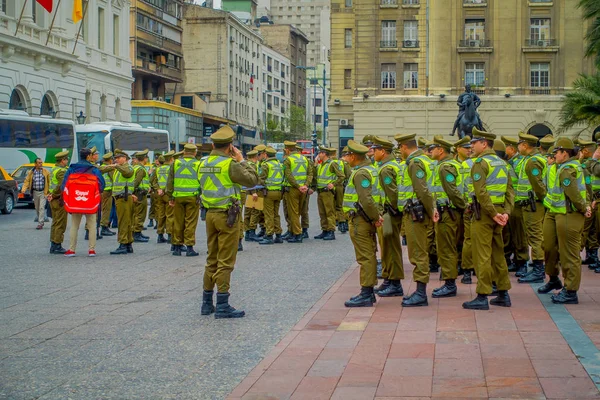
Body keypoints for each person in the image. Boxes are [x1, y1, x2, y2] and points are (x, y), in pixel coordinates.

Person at [199, 126, 258, 318]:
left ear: (214, 144)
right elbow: (252, 180)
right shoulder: (229, 164)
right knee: (225, 260)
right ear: (230, 146)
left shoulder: (202, 163)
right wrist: (242, 160)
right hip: (228, 217)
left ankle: (206, 303)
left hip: (210, 215)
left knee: (212, 258)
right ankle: (223, 303)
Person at [462, 128, 514, 310]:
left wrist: (492, 213)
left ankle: (482, 295)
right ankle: (503, 293)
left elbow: (480, 192)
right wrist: (505, 212)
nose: (471, 146)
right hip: (499, 213)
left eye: (474, 143)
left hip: (484, 213)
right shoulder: (502, 164)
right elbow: (510, 191)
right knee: (498, 254)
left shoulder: (480, 163)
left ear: (484, 143)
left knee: (482, 255)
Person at [539, 138, 590, 304]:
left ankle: (570, 290)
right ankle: (554, 278)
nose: (554, 155)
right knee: (548, 247)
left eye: (557, 153)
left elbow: (575, 193)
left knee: (569, 253)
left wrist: (584, 207)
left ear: (565, 153)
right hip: (554, 212)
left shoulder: (568, 169)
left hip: (569, 214)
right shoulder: (558, 167)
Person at [395, 134, 438, 307]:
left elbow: (422, 191)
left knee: (418, 253)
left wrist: (431, 210)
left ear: (404, 147)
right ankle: (419, 291)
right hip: (420, 212)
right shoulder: (426, 160)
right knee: (420, 251)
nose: (399, 151)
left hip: (416, 213)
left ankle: (421, 293)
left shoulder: (415, 163)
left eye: (400, 148)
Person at [342, 140, 383, 307]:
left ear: (353, 156)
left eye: (347, 155)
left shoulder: (360, 173)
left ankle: (366, 293)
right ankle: (369, 292)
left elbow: (366, 200)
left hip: (360, 219)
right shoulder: (370, 169)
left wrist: (375, 217)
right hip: (366, 218)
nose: (345, 159)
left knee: (365, 256)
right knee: (370, 254)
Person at [429, 136, 466, 298]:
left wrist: (462, 207)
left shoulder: (445, 167)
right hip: (449, 211)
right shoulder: (453, 164)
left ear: (441, 150)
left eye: (433, 148)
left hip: (448, 213)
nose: (431, 151)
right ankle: (449, 280)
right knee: (450, 246)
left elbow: (452, 191)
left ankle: (450, 283)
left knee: (446, 247)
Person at [372, 136, 405, 297]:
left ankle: (395, 283)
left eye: (375, 150)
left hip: (389, 213)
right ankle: (388, 279)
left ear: (382, 151)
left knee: (390, 248)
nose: (372, 153)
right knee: (388, 247)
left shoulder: (386, 169)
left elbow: (392, 193)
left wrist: (392, 210)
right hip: (391, 212)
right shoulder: (393, 165)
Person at [515, 132, 548, 283]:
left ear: (525, 145)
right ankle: (536, 269)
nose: (518, 147)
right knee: (533, 236)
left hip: (533, 204)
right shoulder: (529, 159)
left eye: (519, 144)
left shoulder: (533, 161)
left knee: (535, 237)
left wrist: (544, 200)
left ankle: (538, 270)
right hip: (530, 204)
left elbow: (538, 185)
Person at [61, 148, 105, 257]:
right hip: (90, 202)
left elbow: (64, 186)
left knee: (74, 226)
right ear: (89, 156)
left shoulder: (72, 168)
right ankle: (91, 250)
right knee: (92, 226)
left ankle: (72, 250)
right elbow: (102, 185)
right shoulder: (93, 169)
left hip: (75, 201)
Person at [166, 143, 201, 257]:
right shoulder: (198, 164)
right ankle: (189, 247)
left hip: (178, 197)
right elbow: (202, 181)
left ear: (184, 152)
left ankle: (177, 247)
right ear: (195, 153)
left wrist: (171, 197)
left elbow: (170, 181)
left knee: (178, 221)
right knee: (190, 222)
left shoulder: (175, 163)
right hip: (192, 196)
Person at [501, 136, 529, 275]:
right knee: (509, 233)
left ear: (510, 149)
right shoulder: (509, 162)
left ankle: (522, 261)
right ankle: (513, 259)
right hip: (511, 203)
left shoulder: (517, 162)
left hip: (517, 202)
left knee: (519, 233)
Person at [282, 140, 312, 243]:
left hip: (293, 189)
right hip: (303, 189)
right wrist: (305, 185)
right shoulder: (305, 159)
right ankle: (295, 232)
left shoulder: (288, 160)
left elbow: (288, 175)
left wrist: (298, 186)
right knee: (299, 211)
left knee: (293, 212)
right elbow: (310, 174)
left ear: (287, 149)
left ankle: (297, 234)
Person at [456, 137, 476, 284]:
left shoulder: (465, 164)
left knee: (468, 239)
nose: (470, 149)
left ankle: (467, 271)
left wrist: (464, 204)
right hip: (486, 207)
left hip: (469, 207)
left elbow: (461, 187)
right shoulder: (494, 163)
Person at [314, 147, 345, 240]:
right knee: (322, 213)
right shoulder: (320, 165)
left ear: (324, 154)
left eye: (320, 153)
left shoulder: (332, 163)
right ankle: (325, 230)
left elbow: (341, 176)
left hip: (327, 192)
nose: (318, 155)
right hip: (320, 191)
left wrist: (333, 184)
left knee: (329, 212)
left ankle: (331, 231)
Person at [110, 150, 136, 255]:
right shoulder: (119, 169)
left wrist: (116, 166)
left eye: (118, 158)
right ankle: (128, 243)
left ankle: (123, 244)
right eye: (115, 158)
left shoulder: (127, 168)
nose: (116, 160)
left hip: (124, 198)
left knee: (123, 222)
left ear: (125, 158)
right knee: (127, 221)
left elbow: (127, 173)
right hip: (122, 198)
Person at [258, 146, 284, 245]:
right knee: (276, 214)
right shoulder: (279, 164)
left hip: (269, 192)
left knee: (268, 214)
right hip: (278, 192)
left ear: (266, 154)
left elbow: (261, 178)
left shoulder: (266, 165)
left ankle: (269, 235)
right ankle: (278, 235)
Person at [47, 151, 70, 254]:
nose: (67, 161)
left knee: (55, 222)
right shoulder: (61, 171)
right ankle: (57, 244)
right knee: (60, 223)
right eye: (66, 159)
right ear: (62, 160)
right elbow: (61, 186)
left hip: (53, 199)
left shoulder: (53, 169)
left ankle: (53, 244)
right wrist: (54, 195)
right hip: (59, 199)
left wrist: (50, 194)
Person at [151, 151, 175, 244]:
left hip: (159, 194)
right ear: (171, 159)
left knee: (161, 215)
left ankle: (160, 235)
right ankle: (169, 235)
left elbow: (153, 181)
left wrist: (158, 189)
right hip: (167, 194)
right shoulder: (171, 169)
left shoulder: (158, 169)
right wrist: (164, 190)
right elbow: (171, 182)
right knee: (170, 215)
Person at [21, 158, 50, 229]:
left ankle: (40, 223)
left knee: (41, 207)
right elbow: (27, 181)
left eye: (41, 162)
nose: (41, 164)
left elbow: (49, 182)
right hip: (35, 192)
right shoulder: (31, 172)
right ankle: (40, 220)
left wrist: (49, 191)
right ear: (35, 164)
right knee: (37, 208)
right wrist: (23, 189)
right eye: (39, 163)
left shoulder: (46, 171)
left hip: (43, 192)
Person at [131, 150, 150, 243]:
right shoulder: (141, 169)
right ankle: (137, 232)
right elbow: (137, 182)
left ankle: (137, 232)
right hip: (140, 193)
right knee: (140, 214)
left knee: (136, 213)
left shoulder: (135, 167)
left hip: (138, 192)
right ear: (144, 158)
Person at [334, 148, 351, 234]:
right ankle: (344, 222)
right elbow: (348, 175)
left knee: (337, 205)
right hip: (343, 186)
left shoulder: (336, 162)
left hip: (335, 186)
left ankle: (339, 220)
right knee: (342, 205)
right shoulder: (346, 163)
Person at [99, 152, 116, 237]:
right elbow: (113, 178)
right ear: (110, 160)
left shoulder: (101, 167)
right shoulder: (109, 168)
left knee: (103, 209)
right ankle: (104, 227)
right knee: (106, 210)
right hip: (107, 191)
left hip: (103, 191)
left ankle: (103, 227)